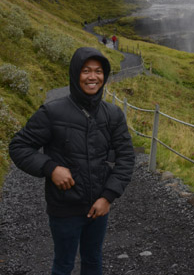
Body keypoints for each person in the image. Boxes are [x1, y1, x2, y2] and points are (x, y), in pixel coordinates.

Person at [9, 47, 135, 275]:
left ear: (104, 76)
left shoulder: (113, 115)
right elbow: (19, 146)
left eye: (98, 71)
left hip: (99, 207)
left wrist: (108, 197)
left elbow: (126, 157)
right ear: (76, 73)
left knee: (93, 260)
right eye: (86, 71)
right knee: (63, 264)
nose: (92, 77)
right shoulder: (52, 112)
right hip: (64, 207)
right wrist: (51, 168)